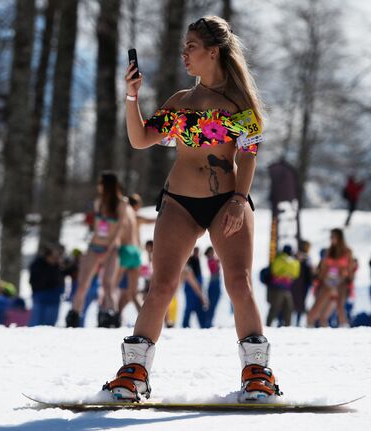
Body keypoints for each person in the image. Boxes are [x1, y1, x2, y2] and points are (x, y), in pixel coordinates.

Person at [103, 16, 281, 402]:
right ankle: (133, 374)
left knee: (238, 283)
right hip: (179, 202)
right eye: (184, 46)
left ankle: (258, 374)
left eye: (191, 47)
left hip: (227, 202)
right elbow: (140, 139)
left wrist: (238, 200)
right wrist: (132, 96)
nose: (184, 53)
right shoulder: (179, 103)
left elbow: (249, 156)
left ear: (213, 51)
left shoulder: (239, 104)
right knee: (162, 286)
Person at [65, 171, 127, 328]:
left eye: (100, 183)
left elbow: (120, 228)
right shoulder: (99, 202)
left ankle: (111, 315)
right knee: (83, 283)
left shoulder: (121, 203)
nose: (98, 186)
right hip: (95, 246)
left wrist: (110, 247)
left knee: (108, 284)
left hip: (112, 248)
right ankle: (74, 315)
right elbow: (97, 227)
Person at [307, 229, 354, 328]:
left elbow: (350, 268)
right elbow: (324, 267)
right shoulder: (329, 251)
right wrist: (319, 279)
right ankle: (310, 326)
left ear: (340, 238)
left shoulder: (347, 251)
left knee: (340, 307)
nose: (331, 239)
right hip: (328, 281)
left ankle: (344, 328)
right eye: (331, 236)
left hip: (341, 282)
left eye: (333, 236)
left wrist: (350, 281)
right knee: (318, 307)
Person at [115, 196, 145, 324]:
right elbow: (150, 220)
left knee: (112, 287)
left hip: (125, 251)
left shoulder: (123, 214)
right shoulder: (136, 216)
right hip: (136, 252)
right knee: (133, 293)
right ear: (136, 205)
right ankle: (145, 319)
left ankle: (114, 317)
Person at [28, 244, 66, 327]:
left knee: (50, 324)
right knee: (36, 322)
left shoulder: (58, 266)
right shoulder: (38, 264)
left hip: (54, 297)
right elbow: (36, 281)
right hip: (40, 296)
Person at [266, 245, 300, 327]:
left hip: (280, 287)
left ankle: (269, 324)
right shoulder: (293, 261)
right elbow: (295, 274)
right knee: (287, 307)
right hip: (283, 287)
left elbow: (275, 271)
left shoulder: (279, 259)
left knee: (277, 307)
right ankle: (286, 325)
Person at [181, 247, 209, 328]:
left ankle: (202, 325)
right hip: (190, 286)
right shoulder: (190, 260)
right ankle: (185, 325)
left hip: (195, 283)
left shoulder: (196, 260)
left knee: (198, 308)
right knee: (190, 308)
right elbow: (191, 280)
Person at [292, 240, 313, 326]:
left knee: (298, 303)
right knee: (300, 303)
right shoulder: (305, 258)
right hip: (302, 283)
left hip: (298, 283)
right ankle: (297, 322)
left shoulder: (296, 256)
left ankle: (297, 322)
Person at [204, 246, 221, 327]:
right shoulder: (210, 260)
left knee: (213, 304)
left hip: (215, 283)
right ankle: (208, 322)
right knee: (212, 304)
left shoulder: (212, 260)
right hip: (214, 283)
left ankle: (209, 322)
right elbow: (214, 270)